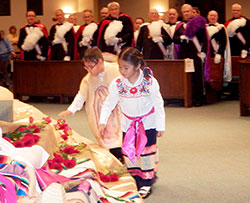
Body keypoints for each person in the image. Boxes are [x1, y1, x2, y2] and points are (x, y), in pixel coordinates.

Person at [98, 47, 165, 198]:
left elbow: (158, 103)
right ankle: (135, 178)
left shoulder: (149, 82)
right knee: (130, 152)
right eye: (120, 67)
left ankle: (147, 182)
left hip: (147, 123)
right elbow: (109, 103)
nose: (122, 71)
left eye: (126, 67)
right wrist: (103, 121)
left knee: (146, 153)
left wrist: (160, 125)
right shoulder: (117, 84)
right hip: (127, 124)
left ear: (138, 66)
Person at [58, 47, 122, 161]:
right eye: (86, 67)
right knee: (107, 134)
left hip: (117, 110)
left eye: (90, 67)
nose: (88, 70)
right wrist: (71, 109)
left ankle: (121, 155)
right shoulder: (87, 79)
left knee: (120, 132)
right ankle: (115, 156)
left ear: (100, 62)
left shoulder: (117, 70)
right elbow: (81, 95)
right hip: (99, 112)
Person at [173, 4, 209, 107]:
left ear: (192, 11)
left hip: (195, 53)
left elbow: (205, 39)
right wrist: (181, 37)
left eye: (188, 11)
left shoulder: (199, 22)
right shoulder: (179, 25)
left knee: (197, 76)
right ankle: (187, 97)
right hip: (184, 54)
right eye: (184, 12)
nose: (186, 13)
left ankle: (199, 98)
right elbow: (174, 39)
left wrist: (203, 52)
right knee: (185, 77)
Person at [207, 10, 232, 82]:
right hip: (208, 54)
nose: (212, 17)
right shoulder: (204, 28)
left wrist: (219, 54)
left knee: (218, 74)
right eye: (211, 15)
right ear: (208, 17)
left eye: (214, 16)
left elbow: (224, 42)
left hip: (217, 54)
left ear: (217, 17)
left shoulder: (221, 27)